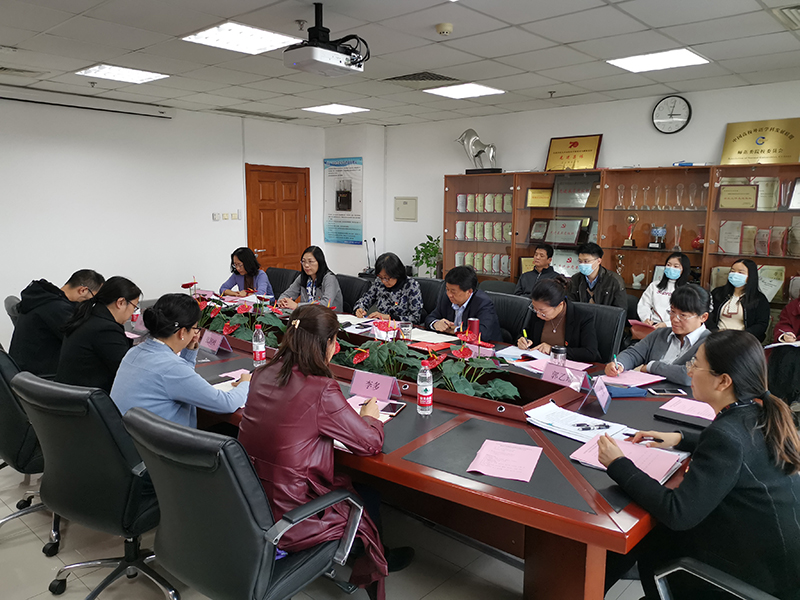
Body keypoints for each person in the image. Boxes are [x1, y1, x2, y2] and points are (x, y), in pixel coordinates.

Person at [599, 330, 800, 600]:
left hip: (754, 581)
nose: (690, 371)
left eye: (696, 364)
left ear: (723, 381)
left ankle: (583, 587)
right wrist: (681, 438)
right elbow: (740, 451)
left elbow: (677, 512)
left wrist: (618, 463)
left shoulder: (727, 435)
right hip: (777, 564)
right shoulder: (758, 412)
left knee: (648, 532)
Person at [238, 305, 413, 600]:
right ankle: (375, 559)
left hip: (250, 500)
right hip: (292, 514)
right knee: (366, 496)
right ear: (328, 343)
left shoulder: (262, 373)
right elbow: (369, 444)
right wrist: (370, 417)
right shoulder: (322, 388)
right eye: (334, 340)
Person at [111, 293, 249, 427]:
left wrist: (189, 351)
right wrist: (246, 382)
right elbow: (227, 404)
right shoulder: (171, 368)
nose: (196, 333)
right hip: (162, 441)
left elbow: (182, 382)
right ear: (182, 332)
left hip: (129, 436)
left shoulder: (134, 352)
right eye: (195, 328)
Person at [604, 285, 711, 386]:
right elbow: (634, 353)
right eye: (672, 312)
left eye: (683, 315)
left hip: (684, 397)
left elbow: (689, 375)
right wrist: (619, 364)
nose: (674, 319)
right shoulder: (660, 334)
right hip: (649, 393)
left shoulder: (710, 344)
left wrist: (652, 366)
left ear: (703, 317)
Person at [9, 269, 105, 377]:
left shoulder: (43, 297)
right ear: (82, 290)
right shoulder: (58, 309)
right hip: (41, 375)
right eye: (94, 298)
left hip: (24, 368)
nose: (92, 302)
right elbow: (81, 342)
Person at [55, 276, 142, 393]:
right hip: (87, 397)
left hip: (70, 392)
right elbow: (126, 371)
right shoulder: (106, 329)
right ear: (120, 302)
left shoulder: (88, 316)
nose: (132, 313)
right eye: (134, 307)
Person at [517, 276, 599, 363]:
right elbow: (524, 333)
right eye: (535, 308)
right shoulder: (538, 313)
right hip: (537, 363)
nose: (537, 314)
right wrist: (522, 341)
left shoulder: (582, 317)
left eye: (542, 310)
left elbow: (590, 353)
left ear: (560, 305)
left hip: (567, 367)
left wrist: (553, 350)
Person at [424, 266, 502, 342]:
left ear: (469, 291)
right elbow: (430, 318)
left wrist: (456, 330)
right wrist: (436, 324)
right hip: (454, 344)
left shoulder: (483, 303)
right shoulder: (446, 298)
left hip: (485, 347)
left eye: (453, 291)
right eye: (447, 289)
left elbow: (483, 333)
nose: (449, 294)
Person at [708, 258, 770, 342]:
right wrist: (715, 331)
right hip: (716, 338)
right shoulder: (717, 293)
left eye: (740, 272)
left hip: (743, 340)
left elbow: (761, 325)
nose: (735, 274)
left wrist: (741, 335)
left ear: (751, 276)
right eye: (732, 271)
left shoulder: (759, 299)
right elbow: (707, 315)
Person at [354, 252, 423, 323]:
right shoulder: (379, 282)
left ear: (397, 273)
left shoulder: (411, 285)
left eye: (387, 278)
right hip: (381, 325)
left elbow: (415, 318)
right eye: (381, 277)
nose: (383, 281)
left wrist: (388, 317)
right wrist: (360, 309)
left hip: (402, 327)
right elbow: (366, 298)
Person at [277, 246, 343, 313]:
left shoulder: (329, 279)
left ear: (319, 262)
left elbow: (325, 304)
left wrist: (297, 306)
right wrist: (283, 302)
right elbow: (286, 295)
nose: (306, 265)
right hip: (307, 315)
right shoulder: (303, 277)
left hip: (328, 316)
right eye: (303, 261)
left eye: (310, 261)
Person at [637, 252, 691, 327]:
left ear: (684, 269)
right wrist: (646, 319)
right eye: (668, 265)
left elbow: (688, 315)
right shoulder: (654, 285)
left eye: (676, 266)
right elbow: (644, 304)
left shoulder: (688, 290)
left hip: (675, 326)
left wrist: (667, 324)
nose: (671, 268)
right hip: (653, 324)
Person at [568, 242, 626, 310]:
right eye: (580, 261)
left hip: (605, 316)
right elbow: (570, 305)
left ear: (598, 261)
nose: (582, 264)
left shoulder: (614, 280)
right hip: (581, 316)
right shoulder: (575, 279)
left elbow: (620, 310)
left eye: (586, 261)